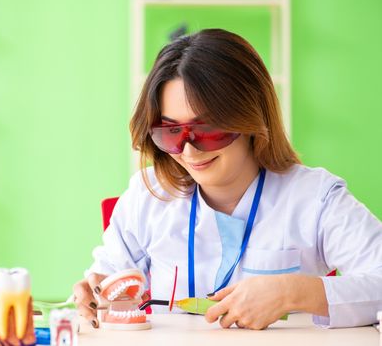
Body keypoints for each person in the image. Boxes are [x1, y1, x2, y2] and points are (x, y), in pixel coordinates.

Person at [72, 28, 382, 330]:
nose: (189, 150)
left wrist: (292, 291)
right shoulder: (148, 195)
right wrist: (95, 294)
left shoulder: (316, 198)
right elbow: (106, 283)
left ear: (250, 118)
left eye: (206, 129)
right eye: (171, 132)